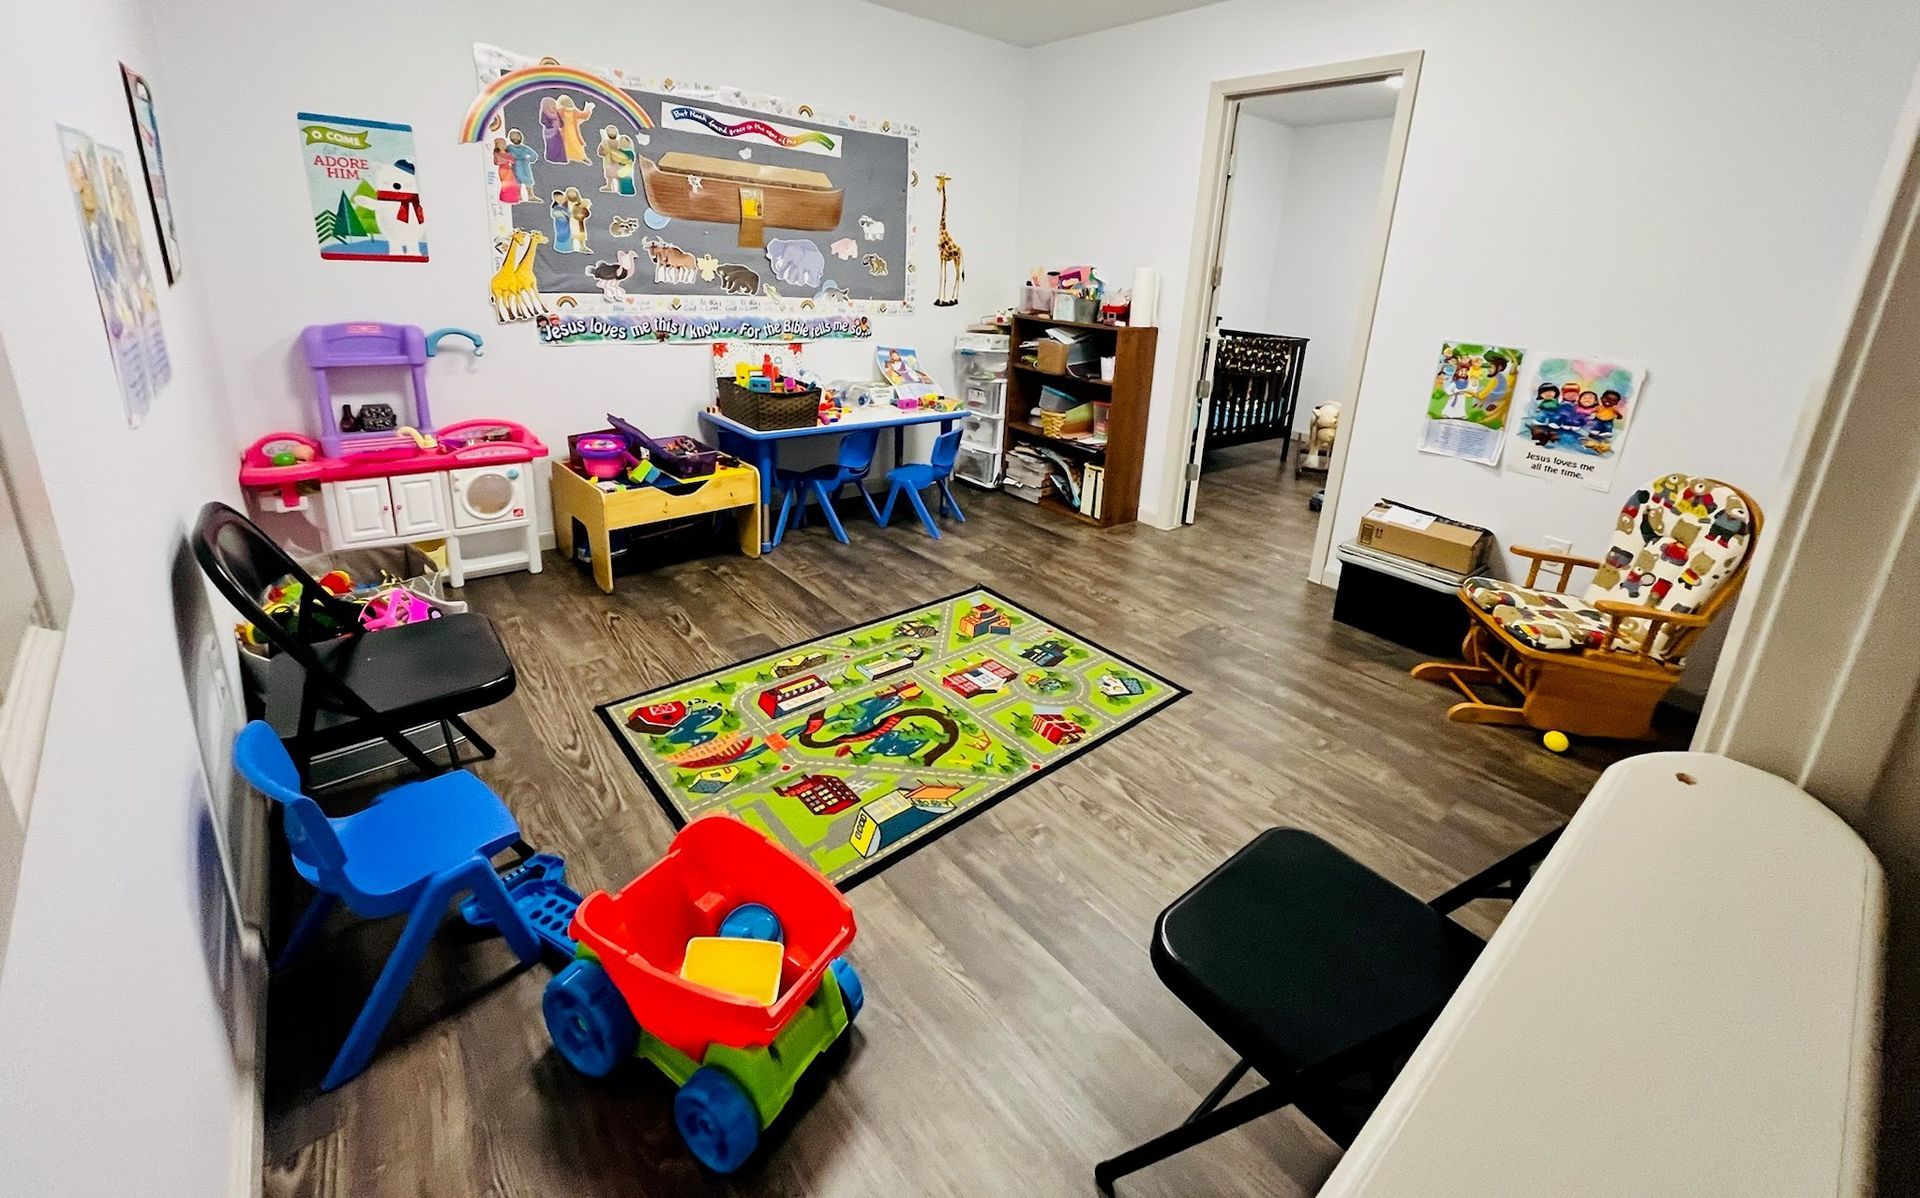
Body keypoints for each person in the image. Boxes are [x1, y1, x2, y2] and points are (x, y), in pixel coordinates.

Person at [555, 96, 596, 164]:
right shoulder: (561, 111)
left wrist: (588, 109)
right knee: (564, 145)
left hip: (572, 132)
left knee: (576, 145)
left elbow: (584, 116)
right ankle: (564, 156)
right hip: (564, 132)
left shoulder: (573, 111)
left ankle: (582, 157)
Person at [505, 129, 538, 201]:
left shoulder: (524, 148)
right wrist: (509, 159)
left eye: (517, 136)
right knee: (517, 181)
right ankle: (518, 196)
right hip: (515, 166)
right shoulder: (509, 147)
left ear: (520, 137)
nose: (515, 138)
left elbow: (534, 155)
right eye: (513, 136)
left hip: (524, 166)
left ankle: (530, 196)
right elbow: (505, 154)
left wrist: (528, 160)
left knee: (528, 181)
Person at [491, 138, 519, 204]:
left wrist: (508, 159)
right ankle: (505, 197)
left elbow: (512, 160)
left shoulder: (507, 153)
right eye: (502, 143)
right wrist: (506, 159)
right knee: (506, 183)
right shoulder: (497, 153)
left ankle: (512, 198)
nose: (503, 145)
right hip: (503, 169)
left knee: (512, 183)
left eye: (504, 144)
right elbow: (497, 162)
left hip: (508, 169)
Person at [539, 97, 566, 164]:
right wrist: (551, 125)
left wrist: (561, 124)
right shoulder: (545, 112)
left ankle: (560, 158)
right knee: (551, 145)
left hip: (556, 130)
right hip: (549, 131)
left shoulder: (555, 111)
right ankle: (552, 158)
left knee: (559, 144)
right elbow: (543, 121)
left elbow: (560, 120)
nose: (553, 105)